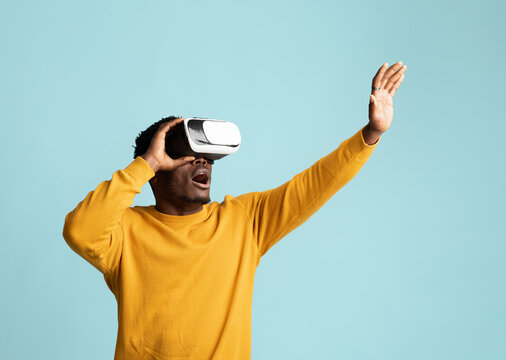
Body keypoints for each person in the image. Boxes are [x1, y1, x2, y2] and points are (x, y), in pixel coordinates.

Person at [63, 61, 407, 359]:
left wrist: (371, 133)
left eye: (207, 156)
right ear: (155, 174)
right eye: (185, 155)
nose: (202, 162)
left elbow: (314, 185)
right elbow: (80, 231)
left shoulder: (243, 220)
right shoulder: (124, 231)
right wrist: (146, 163)